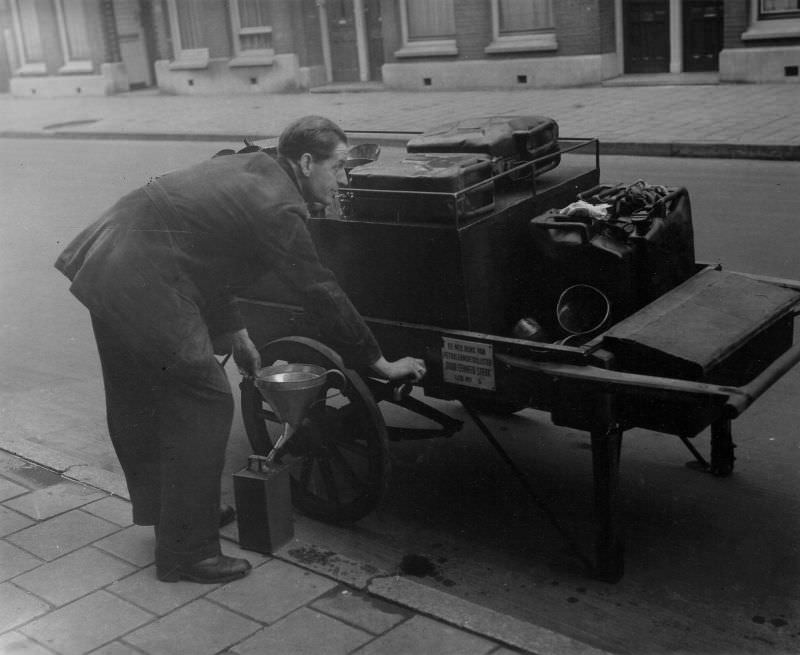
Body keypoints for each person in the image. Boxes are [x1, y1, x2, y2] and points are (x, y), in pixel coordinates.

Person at [55, 115, 426, 584]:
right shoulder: (278, 205)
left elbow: (209, 259)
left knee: (140, 398)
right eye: (337, 168)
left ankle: (173, 519)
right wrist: (378, 361)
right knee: (205, 399)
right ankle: (186, 552)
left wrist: (238, 335)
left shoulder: (257, 168)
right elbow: (318, 288)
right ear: (306, 162)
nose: (344, 178)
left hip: (110, 260)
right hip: (142, 275)